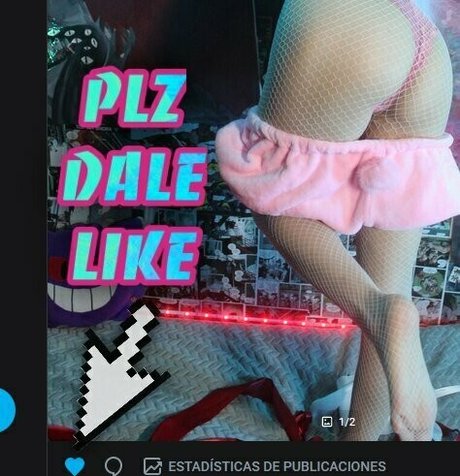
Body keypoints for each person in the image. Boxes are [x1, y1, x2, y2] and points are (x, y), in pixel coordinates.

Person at [216, 0, 460, 440]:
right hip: (425, 52)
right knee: (390, 288)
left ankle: (381, 313)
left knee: (267, 190)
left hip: (341, 20)